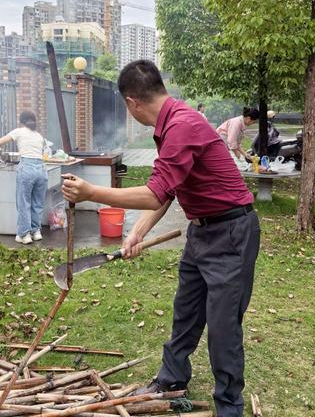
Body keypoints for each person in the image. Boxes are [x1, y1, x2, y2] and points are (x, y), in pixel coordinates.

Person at [62, 60, 260, 417]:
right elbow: (170, 188)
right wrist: (137, 231)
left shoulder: (182, 125)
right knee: (186, 311)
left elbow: (154, 194)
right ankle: (172, 378)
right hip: (202, 231)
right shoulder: (171, 123)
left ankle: (229, 407)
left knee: (223, 327)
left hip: (231, 233)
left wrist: (92, 192)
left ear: (131, 102)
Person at [0, 111, 47, 245]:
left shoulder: (19, 131)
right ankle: (36, 232)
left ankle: (24, 235)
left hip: (27, 168)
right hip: (41, 169)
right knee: (37, 203)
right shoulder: (39, 136)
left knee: (24, 203)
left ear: (21, 121)